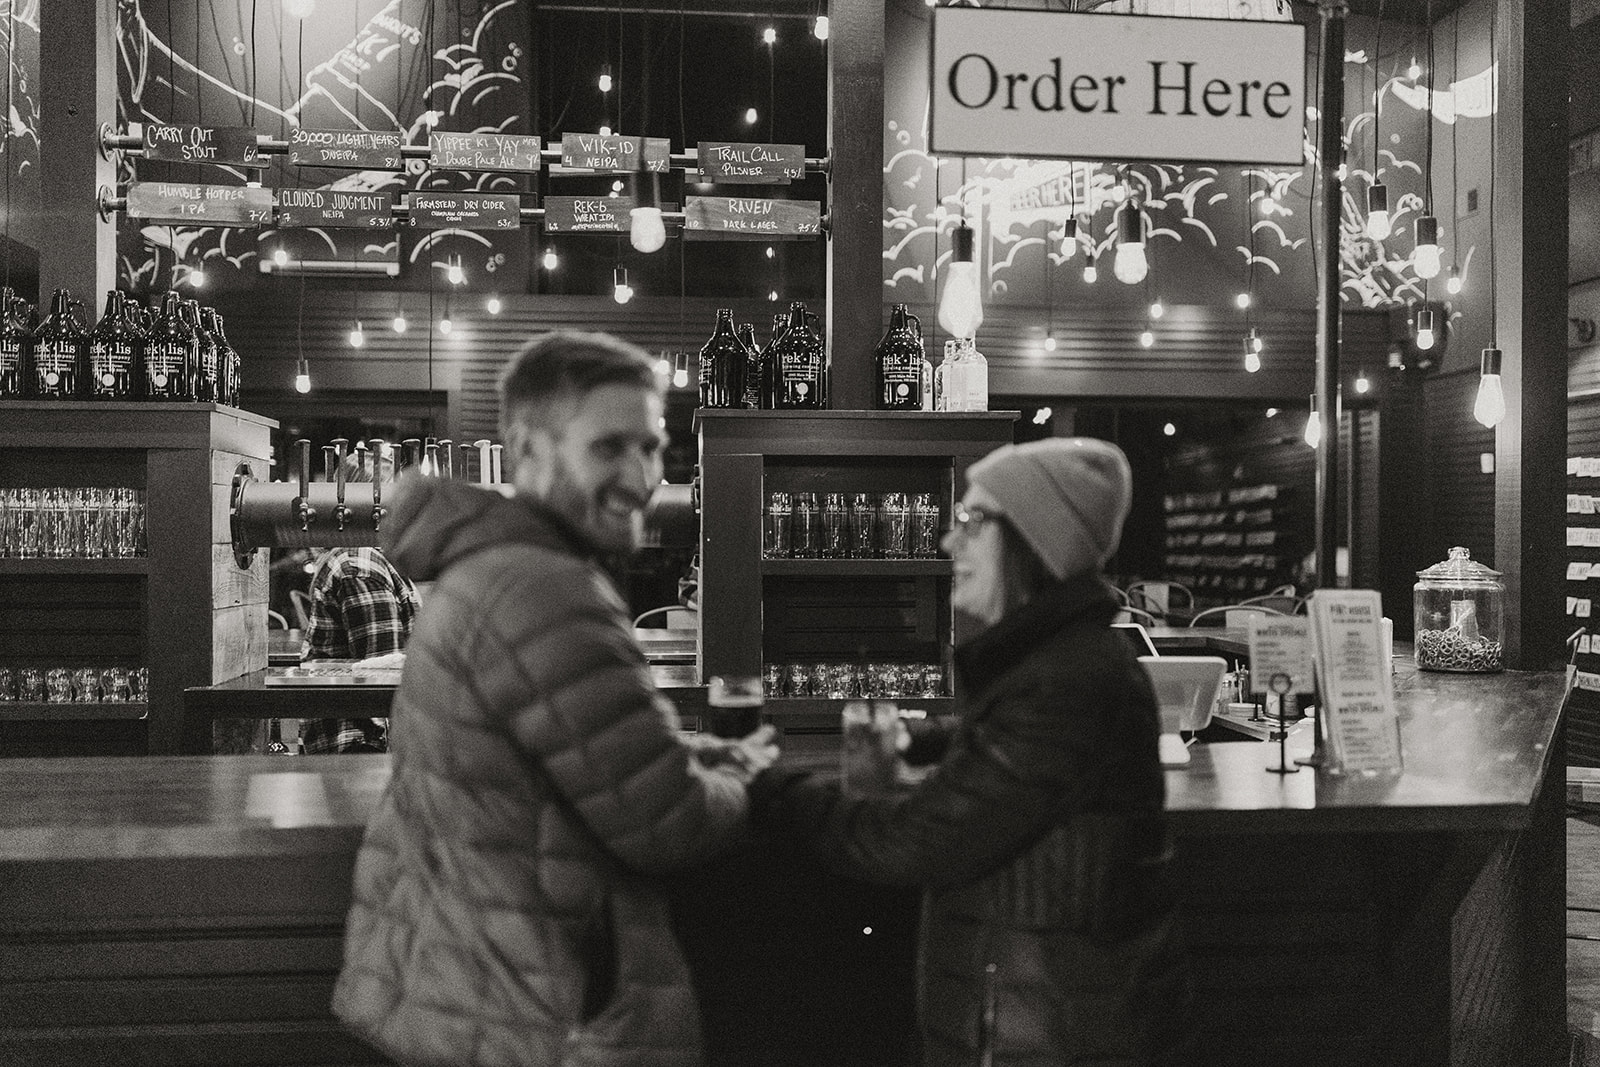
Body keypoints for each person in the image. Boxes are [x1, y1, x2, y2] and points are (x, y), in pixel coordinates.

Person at [332, 331, 776, 1067]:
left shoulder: (490, 565)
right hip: (542, 1020)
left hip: (472, 994)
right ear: (528, 452)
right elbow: (670, 823)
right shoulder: (545, 589)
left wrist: (701, 752)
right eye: (610, 448)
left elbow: (561, 767)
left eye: (652, 446)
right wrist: (750, 780)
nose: (642, 476)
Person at [751, 438, 1189, 1066]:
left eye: (971, 520)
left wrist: (770, 787)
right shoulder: (1060, 663)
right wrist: (926, 737)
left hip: (1045, 1034)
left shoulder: (1067, 680)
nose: (948, 544)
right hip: (1040, 1018)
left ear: (1034, 542)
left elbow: (914, 842)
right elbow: (1019, 761)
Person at [301, 448, 419, 754]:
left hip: (350, 751)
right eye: (392, 494)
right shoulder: (361, 562)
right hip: (359, 752)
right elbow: (383, 690)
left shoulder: (360, 557)